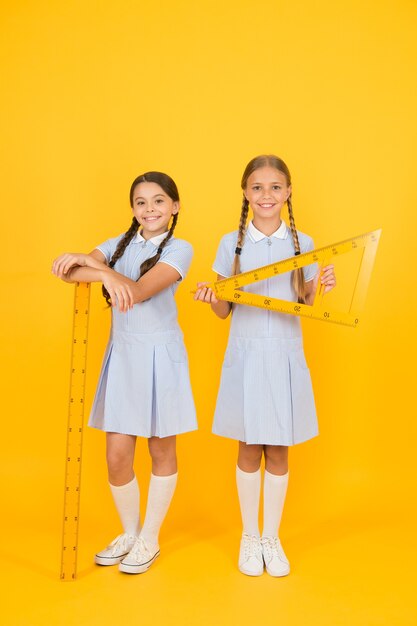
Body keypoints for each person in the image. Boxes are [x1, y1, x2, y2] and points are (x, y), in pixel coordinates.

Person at [194, 155, 335, 577]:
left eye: (275, 187)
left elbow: (305, 303)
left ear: (288, 192)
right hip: (246, 353)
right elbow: (224, 310)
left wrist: (320, 285)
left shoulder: (302, 243)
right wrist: (212, 296)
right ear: (245, 193)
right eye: (258, 187)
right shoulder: (230, 242)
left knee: (279, 447)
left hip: (286, 353)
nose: (266, 195)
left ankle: (272, 537)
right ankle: (249, 535)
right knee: (249, 445)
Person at [52, 171, 197, 574]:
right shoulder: (117, 245)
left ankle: (150, 538)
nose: (149, 209)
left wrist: (96, 268)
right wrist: (96, 268)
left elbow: (137, 292)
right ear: (132, 208)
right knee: (116, 455)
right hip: (123, 356)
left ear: (174, 206)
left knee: (160, 449)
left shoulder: (180, 248)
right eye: (140, 202)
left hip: (161, 356)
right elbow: (66, 271)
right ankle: (130, 533)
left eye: (158, 201)